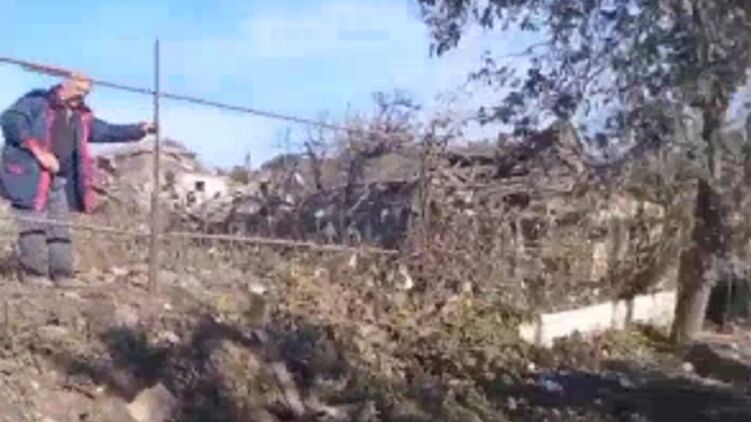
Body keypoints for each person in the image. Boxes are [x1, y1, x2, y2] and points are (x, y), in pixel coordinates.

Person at [0, 74, 156, 286]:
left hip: (59, 180)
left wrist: (139, 130)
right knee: (33, 224)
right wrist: (40, 152)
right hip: (30, 175)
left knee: (59, 227)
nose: (81, 96)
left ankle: (62, 275)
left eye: (85, 93)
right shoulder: (37, 102)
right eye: (78, 90)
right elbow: (10, 121)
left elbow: (107, 131)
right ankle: (34, 274)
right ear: (66, 85)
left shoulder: (81, 117)